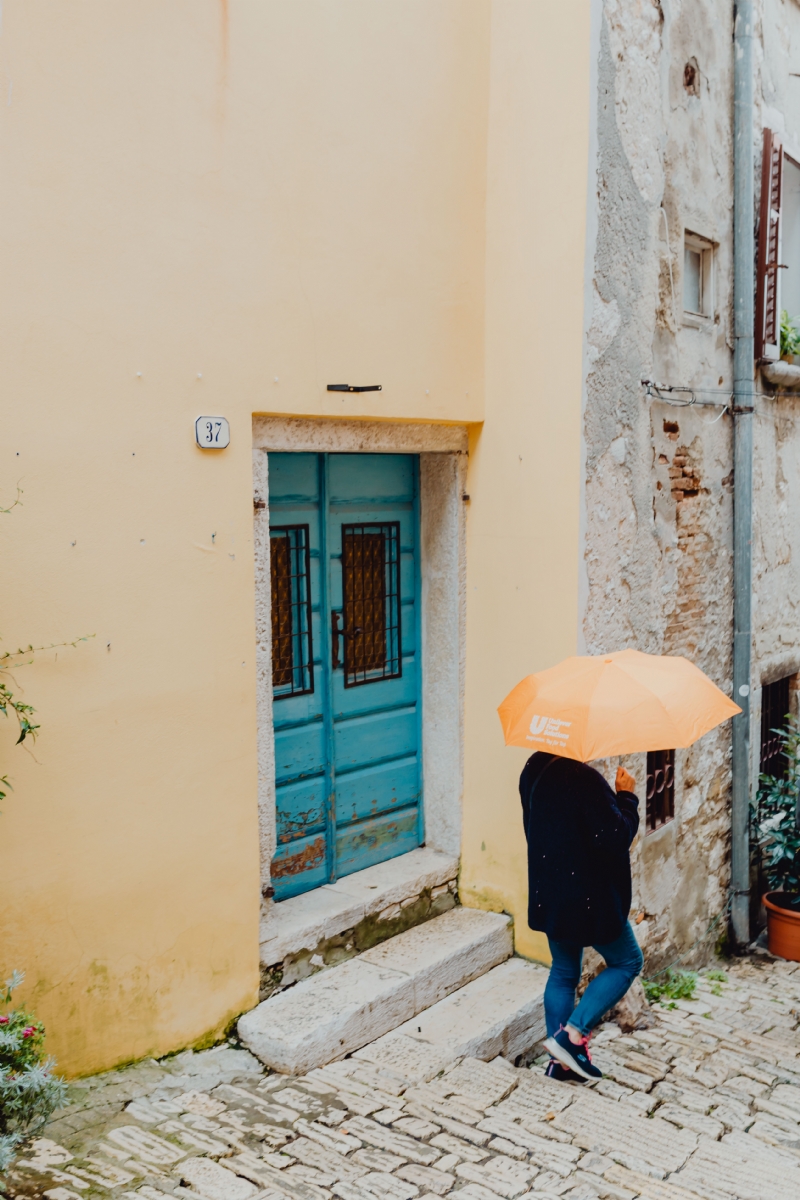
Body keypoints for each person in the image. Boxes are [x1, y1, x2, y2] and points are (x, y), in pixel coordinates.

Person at [519, 751, 644, 1082]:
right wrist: (627, 797)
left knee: (563, 972)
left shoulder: (533, 767)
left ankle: (561, 1064)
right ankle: (573, 1035)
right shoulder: (586, 781)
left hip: (550, 892)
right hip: (590, 900)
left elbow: (535, 825)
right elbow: (616, 837)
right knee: (628, 962)